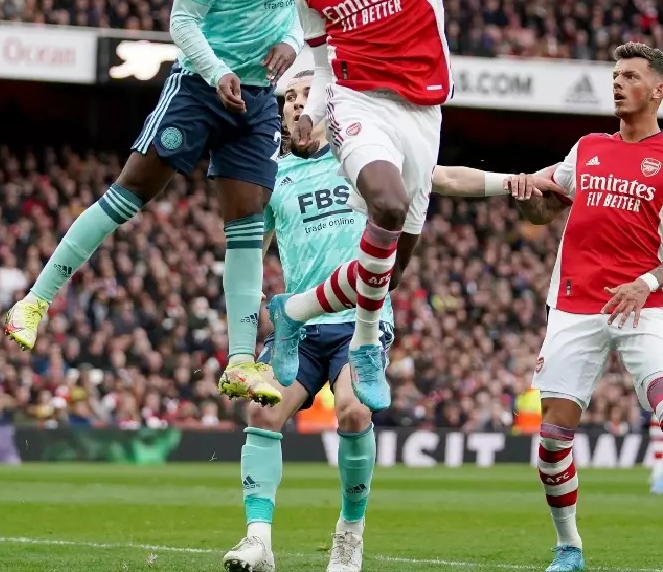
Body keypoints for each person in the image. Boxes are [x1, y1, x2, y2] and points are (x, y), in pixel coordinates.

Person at [4, 0, 305, 406]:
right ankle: (36, 299)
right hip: (200, 88)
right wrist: (217, 72)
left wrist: (291, 41)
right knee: (129, 194)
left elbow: (303, 4)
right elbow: (182, 20)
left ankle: (241, 360)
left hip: (260, 98)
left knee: (246, 226)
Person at [266, 0, 568, 411]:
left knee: (391, 267)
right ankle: (363, 346)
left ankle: (296, 309)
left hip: (423, 111)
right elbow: (327, 68)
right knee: (386, 203)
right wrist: (312, 113)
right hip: (359, 103)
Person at [223, 72, 555, 572]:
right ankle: (258, 540)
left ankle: (348, 536)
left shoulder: (358, 154)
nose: (296, 105)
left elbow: (439, 177)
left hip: (361, 319)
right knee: (262, 414)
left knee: (354, 412)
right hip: (305, 328)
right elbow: (247, 249)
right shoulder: (273, 177)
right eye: (288, 98)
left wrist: (510, 183)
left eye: (304, 95)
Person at [506, 41, 663, 572]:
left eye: (631, 76)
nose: (618, 83)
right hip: (575, 302)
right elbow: (543, 212)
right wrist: (533, 200)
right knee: (552, 438)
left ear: (658, 90)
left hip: (646, 302)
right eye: (615, 75)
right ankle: (569, 546)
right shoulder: (588, 147)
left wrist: (645, 281)